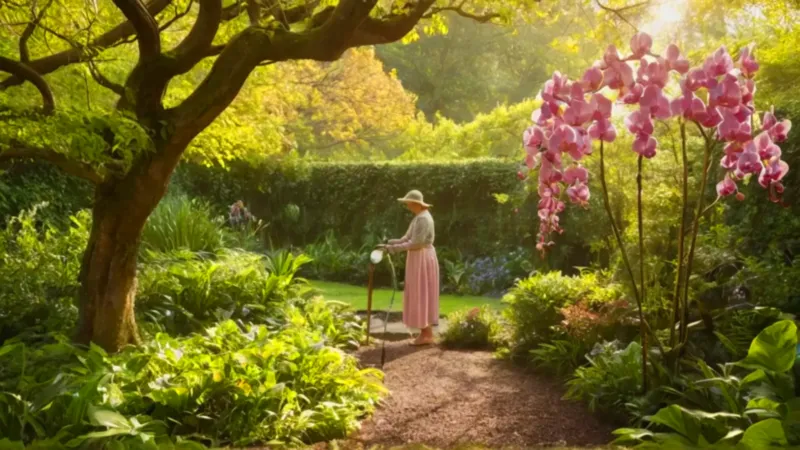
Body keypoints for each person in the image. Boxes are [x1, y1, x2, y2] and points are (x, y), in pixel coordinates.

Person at [382, 190, 440, 346]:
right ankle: (425, 333)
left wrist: (391, 249)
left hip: (422, 257)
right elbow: (407, 238)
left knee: (421, 292)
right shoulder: (418, 218)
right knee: (418, 292)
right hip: (417, 257)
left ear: (416, 204)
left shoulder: (423, 219)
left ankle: (426, 334)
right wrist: (389, 243)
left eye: (408, 203)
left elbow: (417, 244)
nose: (407, 206)